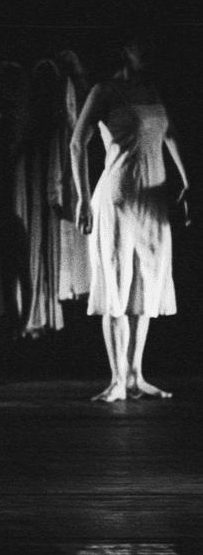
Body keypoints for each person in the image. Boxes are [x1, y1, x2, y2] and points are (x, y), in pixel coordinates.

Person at [71, 32, 187, 401]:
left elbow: (169, 135)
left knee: (146, 285)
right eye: (141, 46)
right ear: (125, 49)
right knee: (117, 284)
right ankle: (117, 378)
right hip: (118, 198)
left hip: (151, 198)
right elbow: (77, 142)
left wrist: (187, 181)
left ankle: (136, 374)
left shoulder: (153, 90)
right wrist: (81, 197)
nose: (148, 53)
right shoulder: (105, 90)